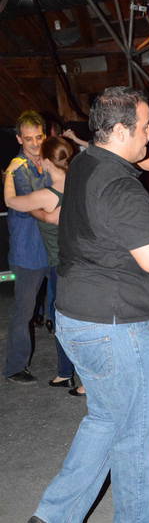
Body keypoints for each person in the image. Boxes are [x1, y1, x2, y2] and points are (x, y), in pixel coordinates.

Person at [26, 86, 149, 523]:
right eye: (145, 127)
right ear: (118, 131)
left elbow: (143, 156)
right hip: (117, 328)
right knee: (137, 431)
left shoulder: (88, 161)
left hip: (76, 318)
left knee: (106, 419)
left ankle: (56, 518)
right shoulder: (120, 188)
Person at [4, 136, 77, 390]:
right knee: (68, 316)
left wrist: (9, 174)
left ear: (46, 161)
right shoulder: (78, 183)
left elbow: (11, 202)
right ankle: (67, 372)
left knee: (60, 319)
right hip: (77, 259)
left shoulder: (48, 194)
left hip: (59, 262)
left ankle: (69, 373)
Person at [3, 110, 55, 384]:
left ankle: (68, 369)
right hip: (28, 252)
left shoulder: (47, 161)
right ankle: (15, 368)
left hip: (52, 248)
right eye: (28, 138)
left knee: (62, 307)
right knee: (23, 312)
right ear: (19, 139)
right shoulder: (17, 169)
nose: (35, 143)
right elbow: (37, 200)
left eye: (39, 137)